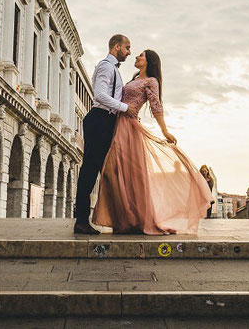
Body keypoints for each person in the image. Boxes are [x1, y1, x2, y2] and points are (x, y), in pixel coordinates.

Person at [92, 49, 214, 234]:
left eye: (140, 55)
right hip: (119, 126)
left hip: (129, 129)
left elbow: (156, 106)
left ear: (148, 61)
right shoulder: (134, 78)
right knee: (117, 173)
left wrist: (164, 130)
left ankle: (133, 219)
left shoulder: (151, 81)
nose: (136, 57)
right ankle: (126, 218)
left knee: (115, 172)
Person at [73, 34, 137, 234]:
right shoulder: (106, 67)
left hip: (107, 121)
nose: (129, 52)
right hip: (100, 119)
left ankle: (118, 219)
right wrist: (125, 108)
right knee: (90, 170)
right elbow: (99, 95)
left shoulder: (113, 69)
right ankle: (81, 221)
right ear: (116, 47)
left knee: (107, 171)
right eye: (127, 47)